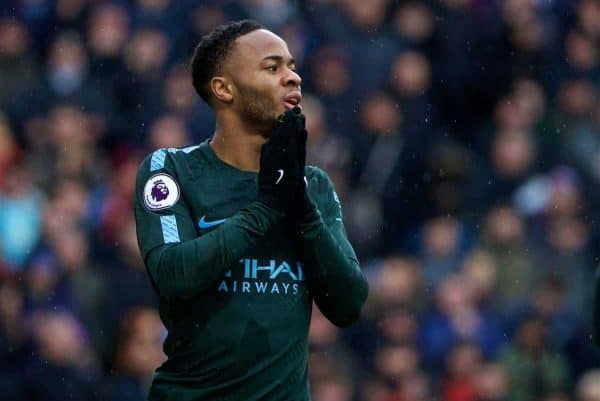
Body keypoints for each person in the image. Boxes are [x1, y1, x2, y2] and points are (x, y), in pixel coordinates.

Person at [133, 19, 369, 401]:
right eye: (272, 67)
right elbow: (173, 274)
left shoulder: (313, 186)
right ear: (224, 88)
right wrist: (265, 210)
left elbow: (349, 304)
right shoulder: (171, 170)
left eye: (292, 66)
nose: (293, 78)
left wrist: (301, 208)